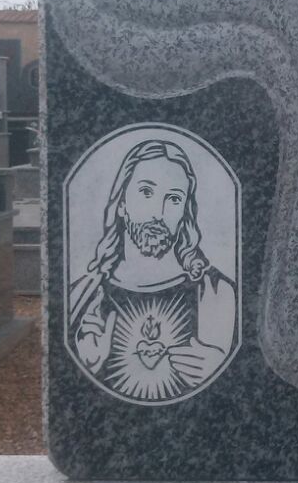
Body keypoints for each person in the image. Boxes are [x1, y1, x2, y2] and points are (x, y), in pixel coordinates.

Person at [69, 138, 236, 403]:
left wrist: (221, 371)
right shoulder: (83, 295)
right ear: (121, 203)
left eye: (174, 198)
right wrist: (88, 369)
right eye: (146, 192)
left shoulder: (215, 292)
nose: (158, 212)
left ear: (185, 213)